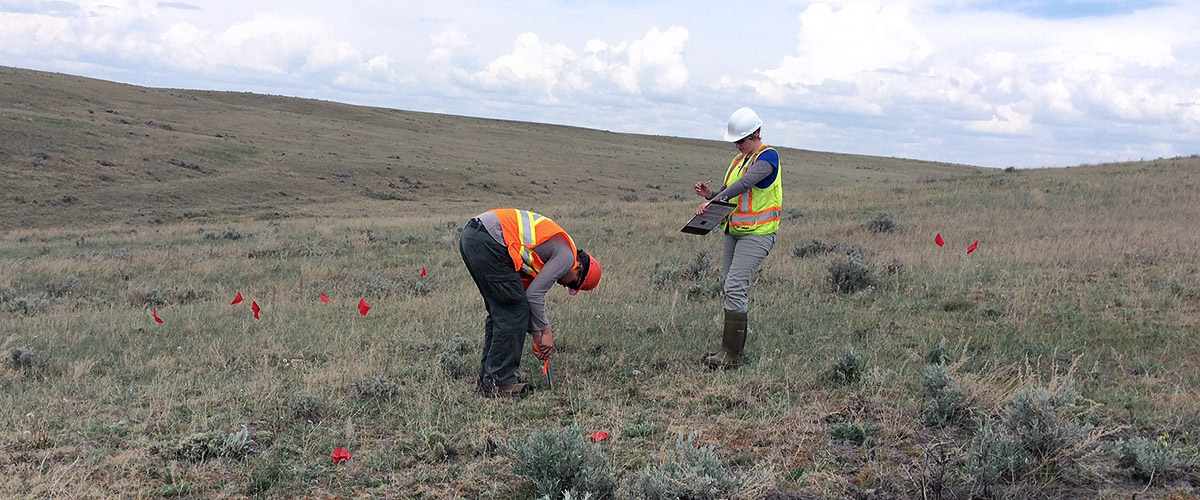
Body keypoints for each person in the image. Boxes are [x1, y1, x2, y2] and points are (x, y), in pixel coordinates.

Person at [459, 208, 602, 397]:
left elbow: (525, 296)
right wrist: (547, 332)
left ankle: (489, 382)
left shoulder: (551, 253)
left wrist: (537, 334)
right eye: (574, 283)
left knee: (502, 311)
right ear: (579, 268)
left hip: (475, 236)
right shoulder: (567, 257)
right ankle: (501, 382)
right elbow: (534, 296)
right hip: (489, 240)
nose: (565, 285)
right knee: (511, 310)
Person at [693, 107, 781, 369]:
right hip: (734, 232)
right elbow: (731, 192)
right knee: (728, 285)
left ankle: (731, 354)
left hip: (758, 233)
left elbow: (744, 185)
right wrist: (712, 195)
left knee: (735, 286)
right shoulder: (739, 161)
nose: (737, 146)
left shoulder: (768, 157)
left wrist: (717, 199)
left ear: (755, 134)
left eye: (741, 141)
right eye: (735, 142)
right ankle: (727, 349)